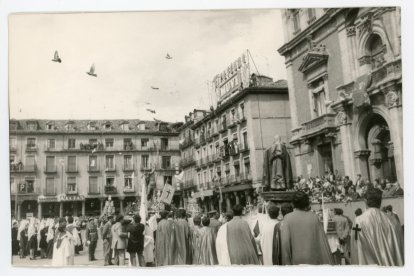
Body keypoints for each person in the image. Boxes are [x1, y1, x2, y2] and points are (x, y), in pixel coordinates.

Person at [351, 188, 404, 266]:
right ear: (380, 201)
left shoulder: (357, 222)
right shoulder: (393, 221)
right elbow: (400, 249)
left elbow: (355, 242)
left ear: (365, 201)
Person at [280, 191, 334, 265]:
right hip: (313, 261)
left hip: (296, 262)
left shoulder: (288, 218)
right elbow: (322, 242)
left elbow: (285, 244)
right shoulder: (314, 217)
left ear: (293, 204)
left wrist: (286, 264)